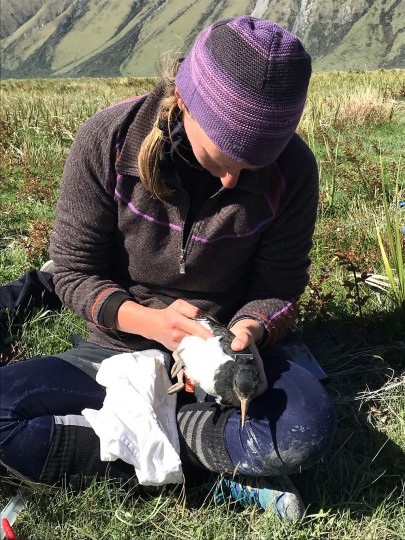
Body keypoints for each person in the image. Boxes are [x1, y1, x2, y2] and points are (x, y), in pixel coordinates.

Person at [0, 16, 336, 520]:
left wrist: (247, 333)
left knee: (306, 428)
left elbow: (280, 286)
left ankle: (149, 446)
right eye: (222, 156)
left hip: (222, 364)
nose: (231, 180)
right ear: (183, 101)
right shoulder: (108, 142)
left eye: (253, 166)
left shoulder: (294, 169)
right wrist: (150, 323)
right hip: (115, 352)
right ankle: (211, 458)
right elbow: (71, 272)